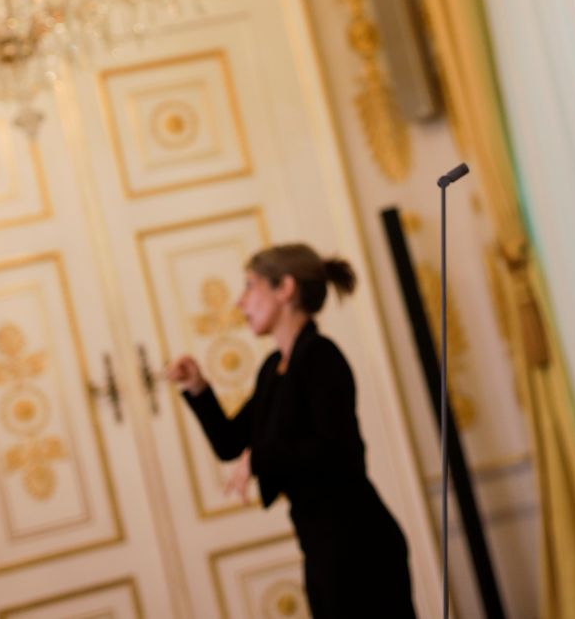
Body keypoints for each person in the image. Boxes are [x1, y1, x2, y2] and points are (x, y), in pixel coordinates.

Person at [166, 243, 415, 619]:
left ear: (285, 288)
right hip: (320, 546)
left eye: (250, 286)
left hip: (358, 544)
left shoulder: (321, 357)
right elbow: (230, 443)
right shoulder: (273, 368)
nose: (240, 301)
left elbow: (335, 451)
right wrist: (197, 387)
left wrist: (259, 459)